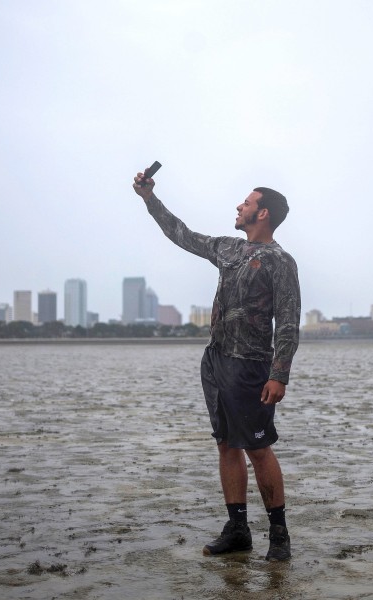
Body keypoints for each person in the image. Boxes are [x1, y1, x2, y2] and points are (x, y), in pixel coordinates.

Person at [131, 169, 301, 561]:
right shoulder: (228, 248)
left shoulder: (280, 261)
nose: (239, 206)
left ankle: (279, 535)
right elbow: (182, 234)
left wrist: (279, 374)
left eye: (247, 202)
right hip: (216, 359)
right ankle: (238, 529)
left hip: (253, 366)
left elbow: (288, 321)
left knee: (258, 448)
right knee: (226, 445)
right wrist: (149, 199)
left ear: (263, 214)